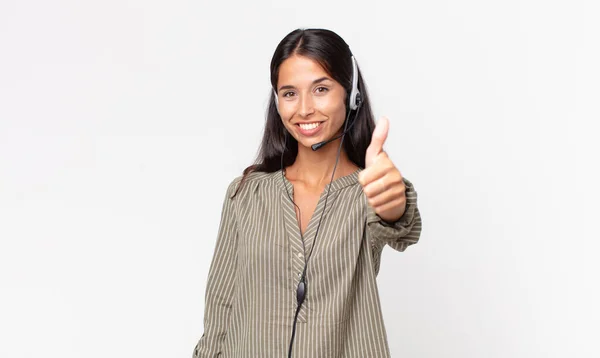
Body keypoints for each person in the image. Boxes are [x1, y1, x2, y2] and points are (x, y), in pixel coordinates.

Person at [192, 28, 422, 358]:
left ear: (351, 94)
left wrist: (394, 201)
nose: (304, 109)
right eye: (289, 93)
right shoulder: (247, 195)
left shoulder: (368, 194)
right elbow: (221, 309)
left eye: (321, 89)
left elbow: (398, 224)